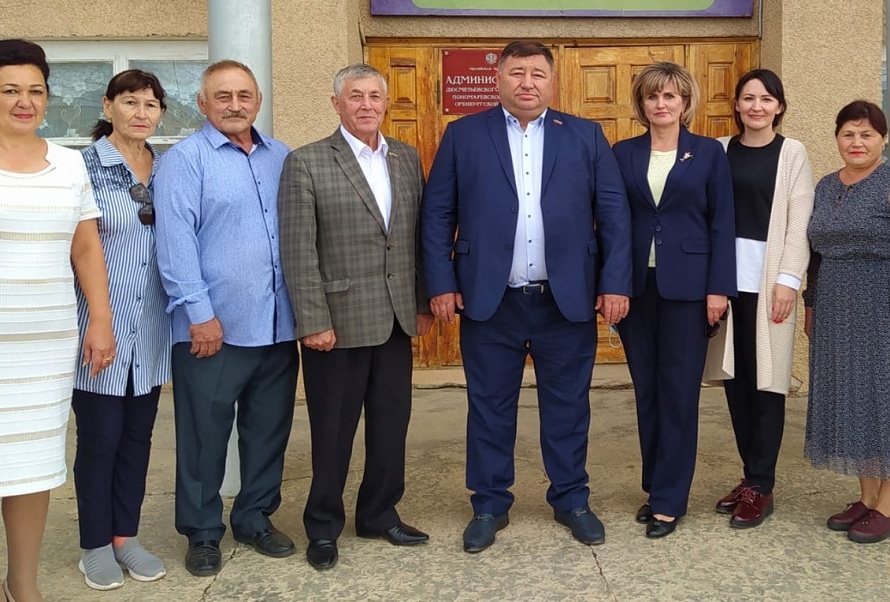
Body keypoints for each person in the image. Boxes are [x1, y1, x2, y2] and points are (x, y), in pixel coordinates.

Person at [420, 40, 632, 553]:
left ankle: (572, 499)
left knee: (568, 407)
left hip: (567, 300)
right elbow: (437, 214)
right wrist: (440, 283)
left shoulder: (585, 135)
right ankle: (489, 504)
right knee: (489, 407)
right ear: (499, 78)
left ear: (552, 81)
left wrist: (615, 282)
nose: (527, 82)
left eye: (537, 73)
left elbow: (614, 213)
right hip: (490, 299)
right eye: (517, 72)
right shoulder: (463, 134)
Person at [278, 63, 434, 571]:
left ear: (385, 103)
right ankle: (323, 526)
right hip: (337, 323)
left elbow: (417, 237)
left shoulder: (405, 158)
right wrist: (312, 321)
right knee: (333, 432)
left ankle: (379, 514)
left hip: (395, 319)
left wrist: (421, 301)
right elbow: (298, 250)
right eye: (355, 96)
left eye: (374, 96)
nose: (366, 105)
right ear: (337, 104)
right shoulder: (306, 162)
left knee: (390, 427)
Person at [153, 60, 298, 577]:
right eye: (223, 96)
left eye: (243, 95)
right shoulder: (184, 160)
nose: (234, 105)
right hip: (212, 329)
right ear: (202, 103)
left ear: (258, 101)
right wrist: (199, 314)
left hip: (278, 325)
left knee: (267, 431)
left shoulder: (281, 156)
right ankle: (202, 532)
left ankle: (254, 517)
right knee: (204, 436)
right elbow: (174, 244)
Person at [0, 39, 116, 602]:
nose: (25, 102)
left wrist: (101, 319)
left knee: (31, 466)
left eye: (35, 90)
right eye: (10, 90)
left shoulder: (70, 163)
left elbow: (86, 248)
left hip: (45, 344)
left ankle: (22, 584)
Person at [611, 61, 736, 539]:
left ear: (685, 103)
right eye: (652, 96)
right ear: (641, 104)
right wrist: (611, 284)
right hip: (637, 290)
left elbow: (722, 222)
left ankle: (669, 501)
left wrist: (718, 288)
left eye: (670, 96)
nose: (661, 104)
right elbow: (613, 222)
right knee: (648, 392)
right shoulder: (623, 153)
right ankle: (655, 487)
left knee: (679, 394)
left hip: (689, 290)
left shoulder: (707, 153)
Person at [803, 100, 890, 544]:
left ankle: (889, 507)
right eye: (848, 134)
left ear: (884, 139)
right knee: (853, 398)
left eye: (866, 134)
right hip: (835, 309)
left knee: (888, 399)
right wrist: (811, 305)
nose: (856, 142)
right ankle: (866, 497)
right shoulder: (826, 185)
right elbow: (815, 255)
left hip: (886, 308)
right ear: (837, 138)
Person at [72, 69, 171, 591]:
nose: (140, 112)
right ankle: (94, 545)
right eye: (129, 101)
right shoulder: (81, 168)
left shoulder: (168, 168)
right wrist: (99, 322)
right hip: (99, 328)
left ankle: (124, 537)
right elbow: (77, 249)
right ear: (108, 106)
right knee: (100, 439)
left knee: (137, 438)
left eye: (150, 104)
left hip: (151, 331)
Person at [712, 69, 813, 529]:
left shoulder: (792, 153)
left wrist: (788, 281)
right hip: (725, 284)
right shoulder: (718, 150)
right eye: (749, 98)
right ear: (736, 104)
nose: (757, 106)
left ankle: (762, 485)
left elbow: (799, 220)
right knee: (735, 383)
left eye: (766, 99)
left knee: (767, 385)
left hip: (771, 284)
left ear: (779, 106)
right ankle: (749, 475)